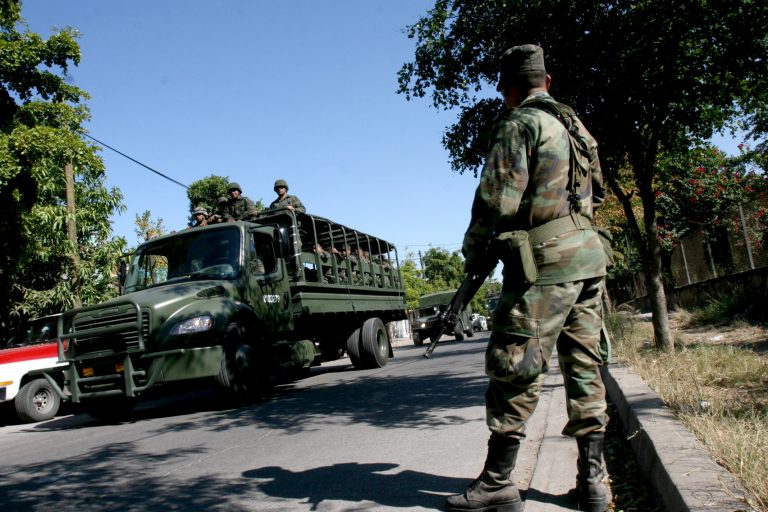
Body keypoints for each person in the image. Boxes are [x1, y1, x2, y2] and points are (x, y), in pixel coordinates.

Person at [447, 44, 609, 512]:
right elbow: (593, 192)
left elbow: (496, 203)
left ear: (510, 90)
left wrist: (474, 254)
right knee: (584, 366)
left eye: (504, 91)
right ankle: (594, 484)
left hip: (545, 264)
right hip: (589, 256)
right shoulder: (577, 127)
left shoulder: (518, 123)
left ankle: (498, 482)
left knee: (515, 366)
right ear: (548, 82)